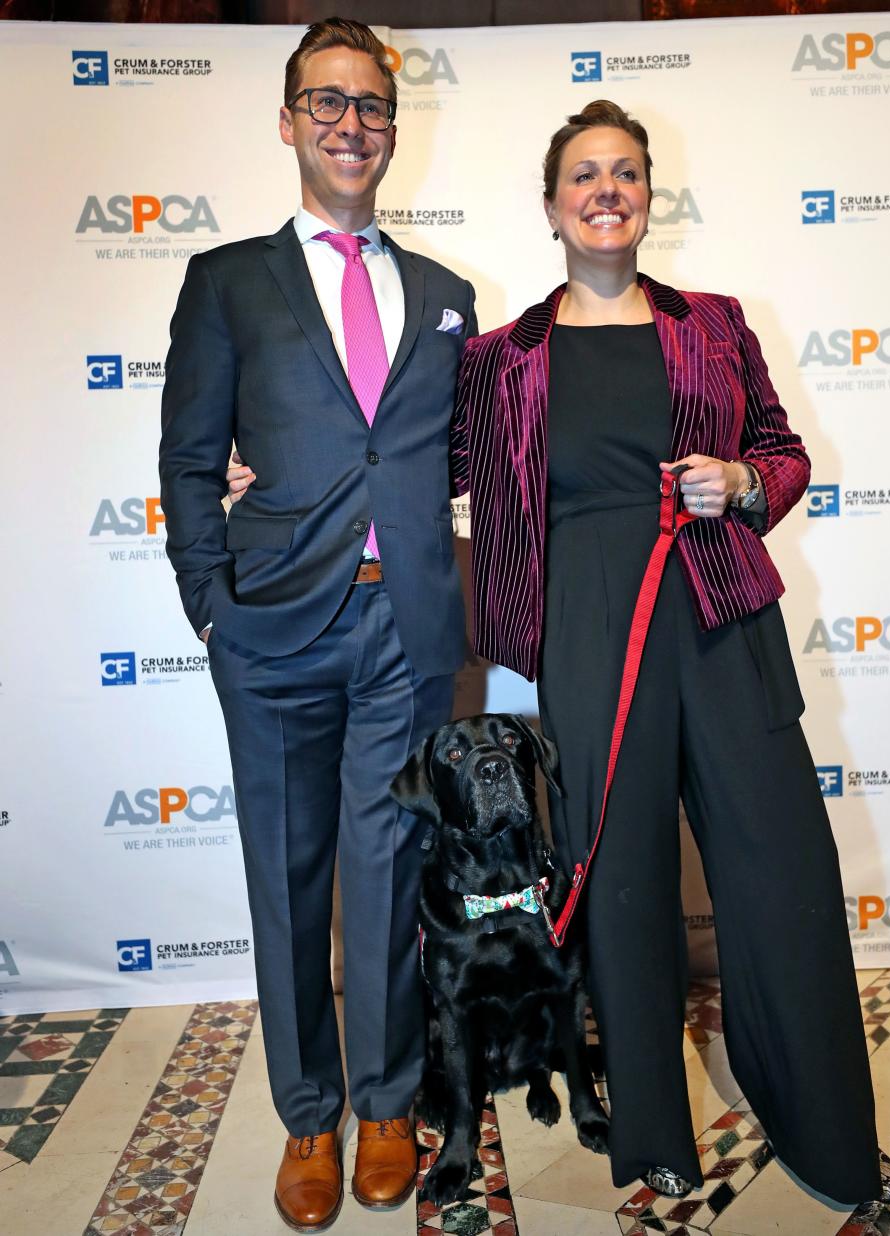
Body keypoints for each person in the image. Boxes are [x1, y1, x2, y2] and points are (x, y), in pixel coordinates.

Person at [447, 101, 890, 1209]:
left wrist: (747, 483)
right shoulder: (499, 359)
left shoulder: (713, 324)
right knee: (624, 883)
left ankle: (826, 1128)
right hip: (588, 631)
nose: (606, 191)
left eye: (626, 174)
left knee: (784, 869)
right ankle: (656, 1130)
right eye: (584, 177)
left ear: (649, 195)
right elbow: (414, 467)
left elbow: (784, 451)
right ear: (552, 204)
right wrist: (275, 482)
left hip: (719, 616)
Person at [159, 19, 476, 1232]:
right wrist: (211, 604)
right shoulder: (228, 279)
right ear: (290, 120)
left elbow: (466, 452)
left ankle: (386, 1099)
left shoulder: (448, 297)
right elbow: (189, 458)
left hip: (403, 627)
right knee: (288, 878)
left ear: (397, 127)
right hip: (274, 628)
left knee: (389, 868)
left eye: (374, 107)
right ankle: (308, 1111)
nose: (353, 125)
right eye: (327, 103)